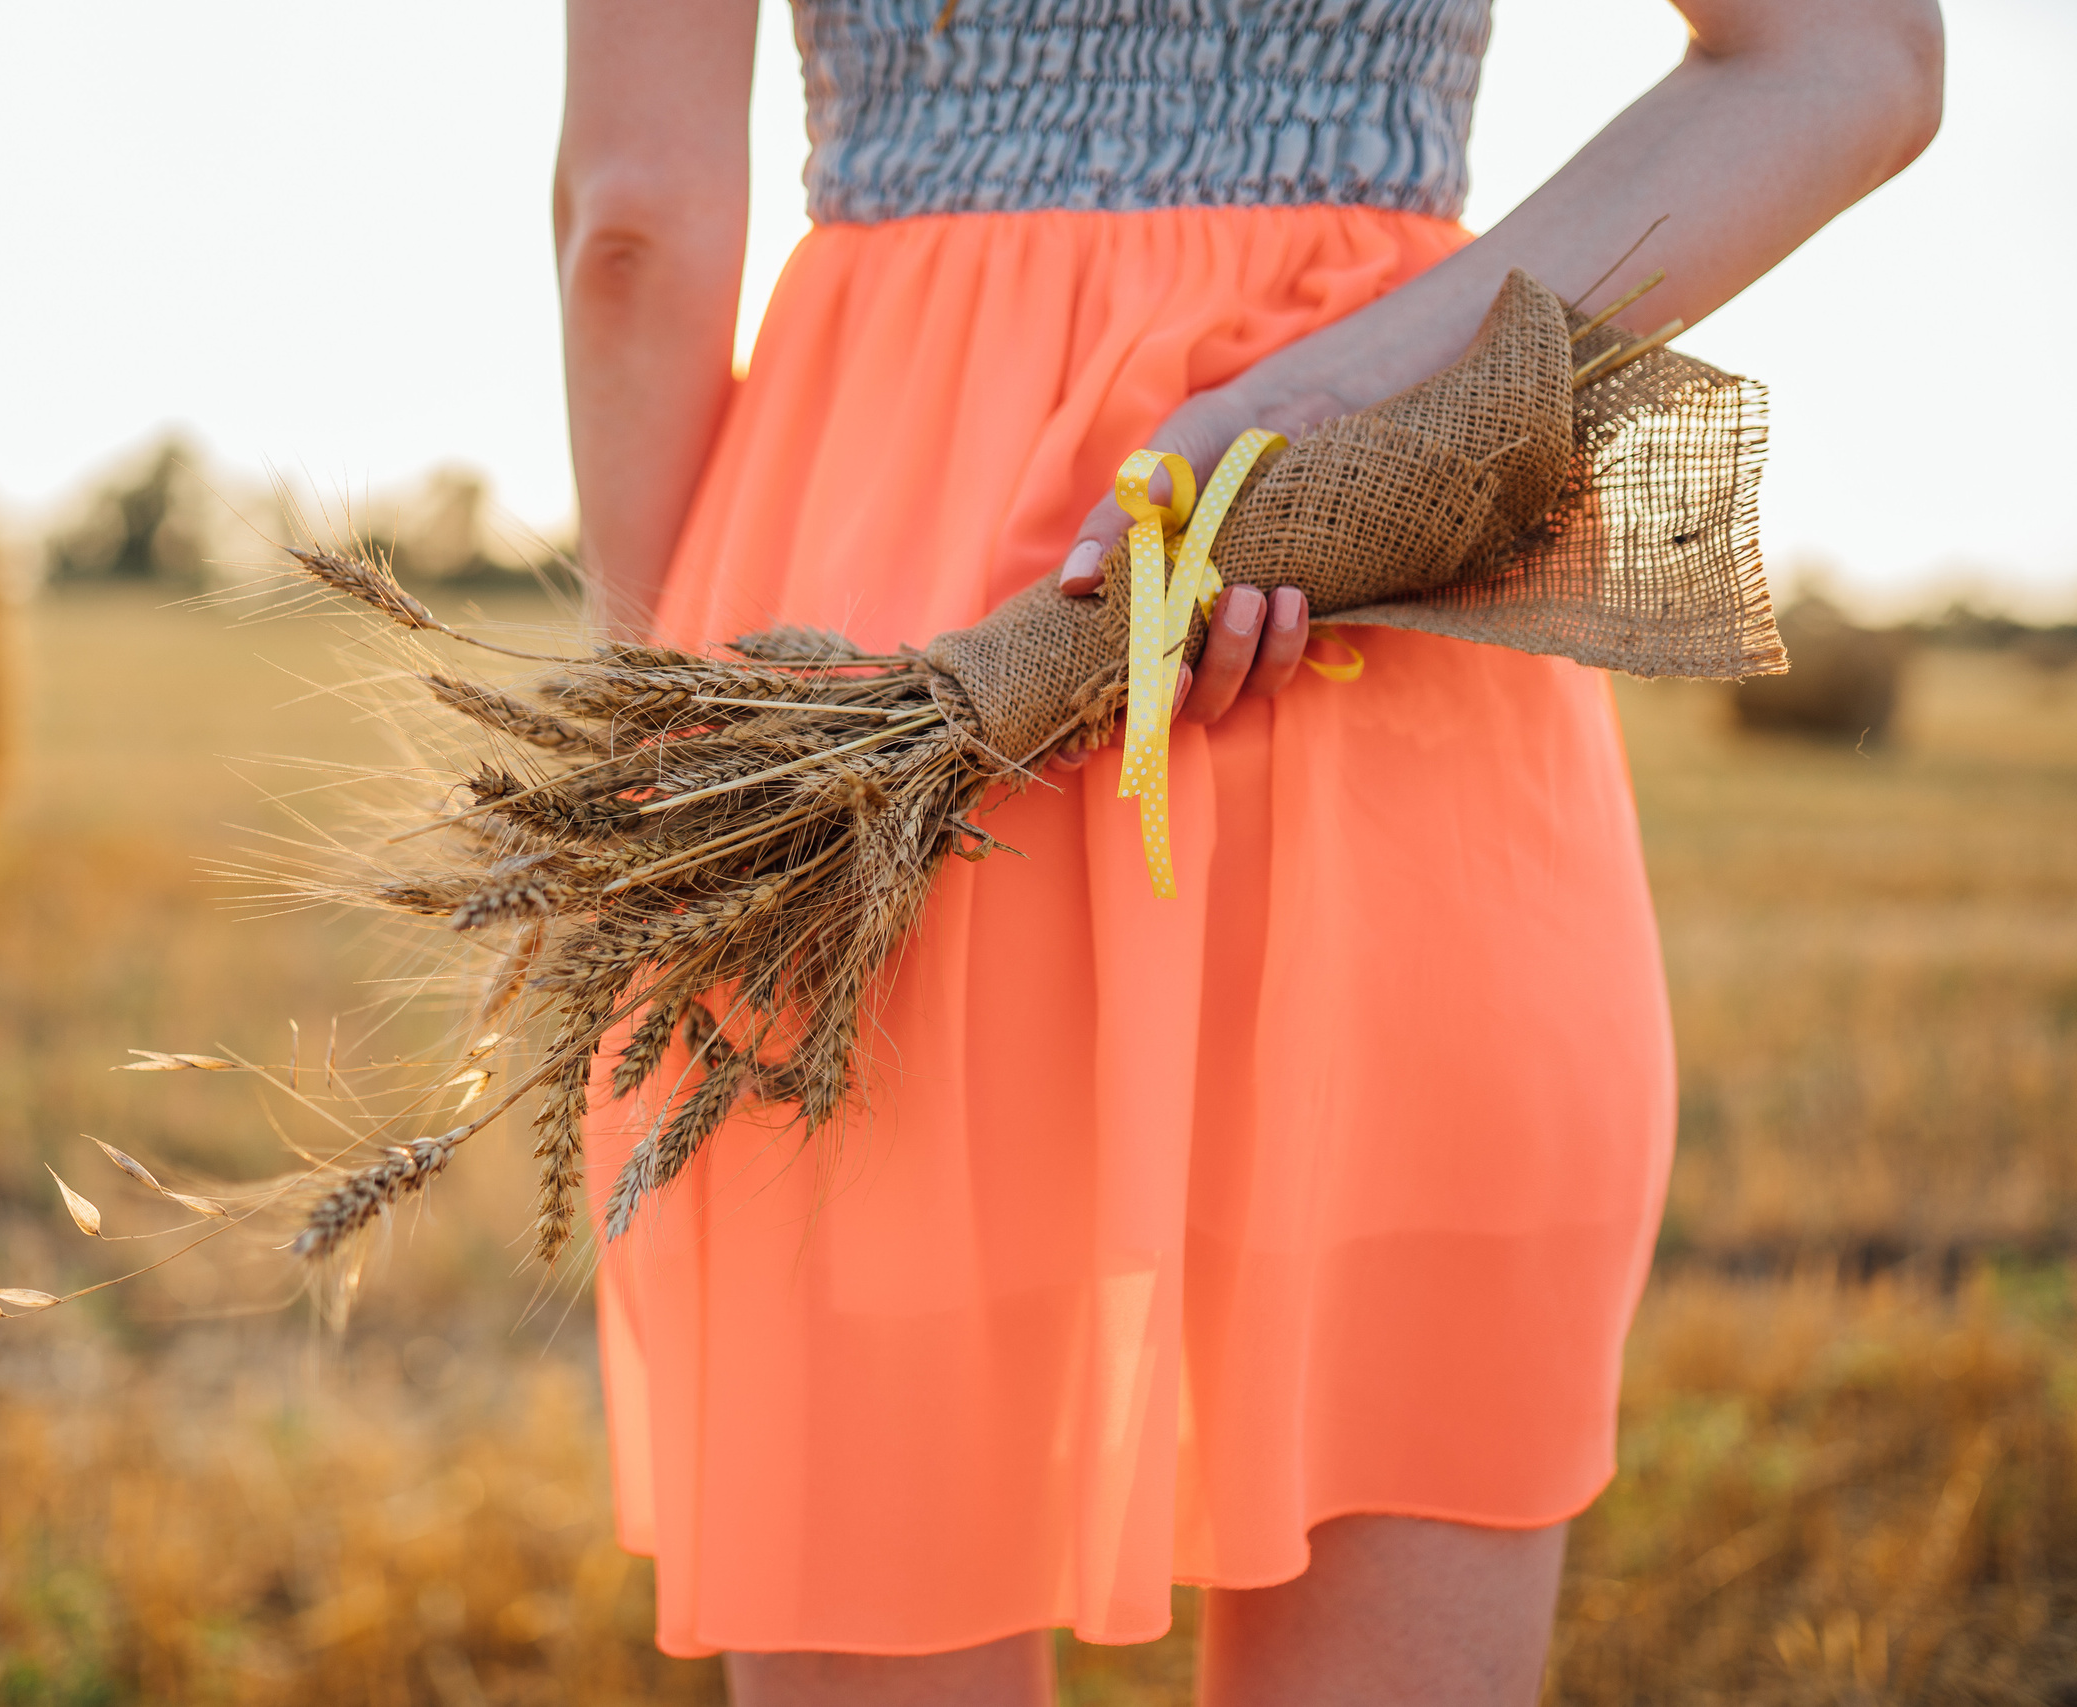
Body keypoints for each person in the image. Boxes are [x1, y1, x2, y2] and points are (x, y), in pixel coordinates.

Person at [554, 1, 1941, 1701]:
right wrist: (1333, 391)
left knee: (870, 1485)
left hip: (869, 646)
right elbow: (1849, 60)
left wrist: (693, 758)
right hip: (1365, 578)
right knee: (1403, 1410)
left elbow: (635, 218)